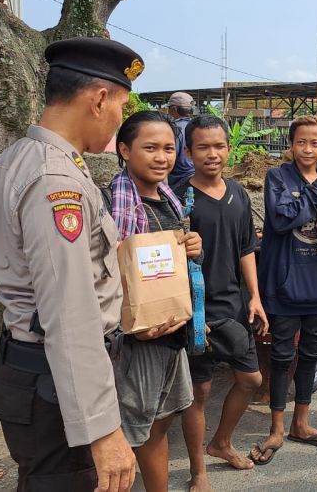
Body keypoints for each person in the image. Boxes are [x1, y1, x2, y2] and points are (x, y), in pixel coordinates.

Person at [0, 37, 143, 491]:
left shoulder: (17, 159)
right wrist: (101, 429)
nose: (119, 119)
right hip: (54, 382)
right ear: (98, 99)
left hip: (40, 373)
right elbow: (70, 313)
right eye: (121, 107)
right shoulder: (56, 181)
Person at [173, 115, 270, 491]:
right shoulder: (179, 195)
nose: (212, 154)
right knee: (199, 392)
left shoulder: (239, 193)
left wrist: (256, 298)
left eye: (219, 146)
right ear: (189, 152)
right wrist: (187, 310)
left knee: (250, 379)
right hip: (195, 309)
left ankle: (221, 442)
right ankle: (199, 470)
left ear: (229, 149)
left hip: (233, 304)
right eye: (203, 147)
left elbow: (247, 248)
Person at [109, 111, 204, 491]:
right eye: (150, 148)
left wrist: (193, 248)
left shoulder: (172, 201)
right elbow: (102, 278)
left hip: (172, 334)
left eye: (168, 148)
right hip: (137, 342)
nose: (162, 157)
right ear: (124, 150)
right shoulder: (109, 205)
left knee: (160, 424)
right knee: (126, 435)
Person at [249, 116, 317, 465]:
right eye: (301, 142)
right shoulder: (278, 177)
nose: (307, 149)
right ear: (291, 144)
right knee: (282, 355)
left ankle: (301, 423)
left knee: (312, 353)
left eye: (315, 143)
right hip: (285, 284)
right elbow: (281, 219)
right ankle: (276, 428)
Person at [167, 91, 196, 190]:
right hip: (198, 177)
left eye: (169, 108)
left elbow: (168, 159)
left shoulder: (173, 129)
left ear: (174, 109)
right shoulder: (198, 127)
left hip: (179, 182)